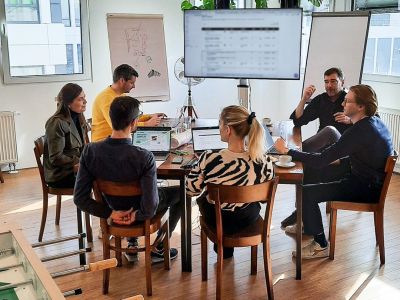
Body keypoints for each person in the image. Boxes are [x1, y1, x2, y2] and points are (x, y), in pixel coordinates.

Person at [275, 84, 393, 259]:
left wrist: (288, 152)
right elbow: (365, 157)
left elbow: (322, 159)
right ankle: (307, 224)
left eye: (347, 101)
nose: (343, 103)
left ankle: (321, 244)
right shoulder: (374, 121)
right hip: (366, 178)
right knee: (312, 172)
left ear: (360, 106)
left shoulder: (359, 131)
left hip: (363, 188)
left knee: (307, 192)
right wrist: (336, 160)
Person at [74, 96, 180, 264]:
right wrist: (137, 215)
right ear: (134, 123)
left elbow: (79, 199)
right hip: (138, 212)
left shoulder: (90, 151)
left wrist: (110, 213)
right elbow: (150, 207)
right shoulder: (144, 157)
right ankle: (159, 247)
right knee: (182, 192)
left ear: (111, 118)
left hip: (113, 208)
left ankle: (131, 243)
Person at [186, 105, 274, 259]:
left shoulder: (209, 159)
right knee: (244, 203)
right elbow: (264, 200)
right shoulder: (264, 161)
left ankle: (223, 247)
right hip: (247, 219)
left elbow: (190, 190)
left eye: (220, 124)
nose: (218, 128)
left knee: (207, 198)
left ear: (228, 130)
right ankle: (226, 248)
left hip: (217, 221)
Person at [281, 67, 352, 228]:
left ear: (342, 81)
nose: (329, 86)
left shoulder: (350, 99)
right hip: (324, 153)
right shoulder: (320, 100)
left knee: (328, 131)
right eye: (326, 82)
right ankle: (301, 210)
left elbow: (372, 120)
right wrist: (304, 99)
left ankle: (291, 153)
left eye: (333, 81)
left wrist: (350, 120)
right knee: (305, 167)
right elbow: (297, 121)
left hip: (342, 153)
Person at [91, 64, 165, 142]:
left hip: (116, 140)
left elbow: (128, 118)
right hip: (103, 143)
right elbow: (118, 127)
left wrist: (149, 116)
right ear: (122, 80)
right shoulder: (106, 98)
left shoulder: (121, 95)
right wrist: (146, 124)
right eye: (131, 83)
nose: (134, 86)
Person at [44, 83, 87, 188]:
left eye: (84, 98)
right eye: (80, 99)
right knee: (99, 179)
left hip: (73, 169)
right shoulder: (56, 122)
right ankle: (89, 204)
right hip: (61, 175)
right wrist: (79, 163)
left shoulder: (79, 117)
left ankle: (99, 204)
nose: (85, 102)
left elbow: (81, 148)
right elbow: (56, 158)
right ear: (68, 103)